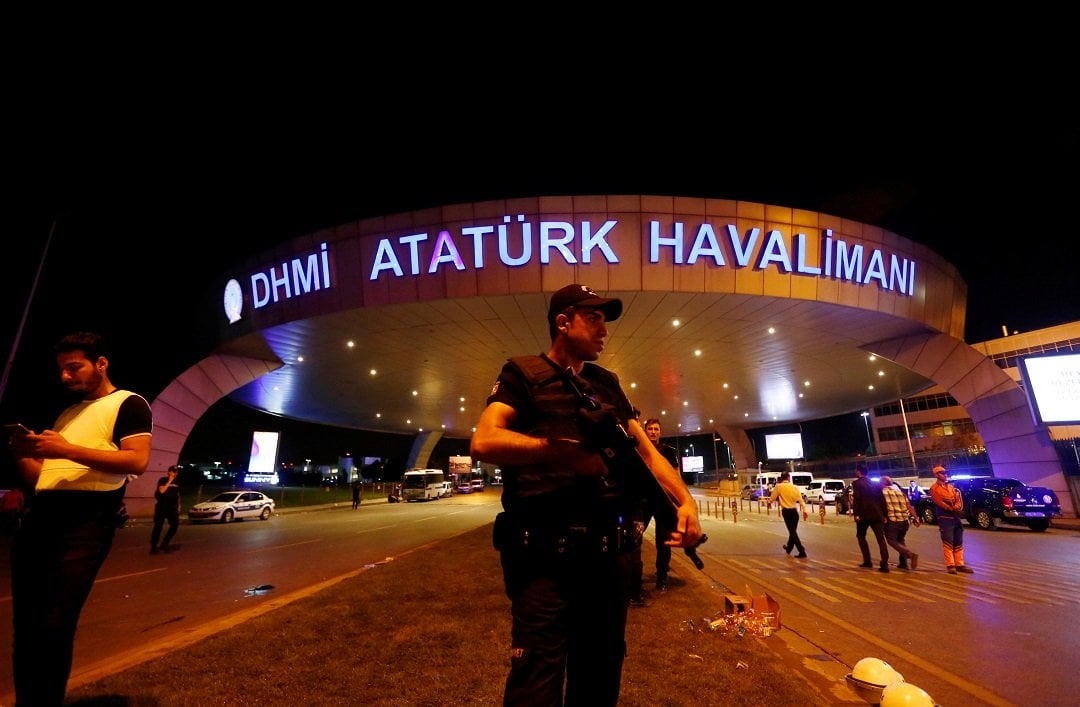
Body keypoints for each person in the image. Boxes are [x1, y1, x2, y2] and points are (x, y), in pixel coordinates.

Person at [470, 283, 702, 707]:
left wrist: (685, 503)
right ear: (563, 322)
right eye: (593, 319)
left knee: (599, 681)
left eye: (604, 321)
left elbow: (647, 454)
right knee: (535, 684)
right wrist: (554, 451)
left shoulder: (606, 384)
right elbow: (484, 441)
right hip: (543, 563)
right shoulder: (522, 375)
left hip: (605, 562)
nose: (604, 330)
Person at [7, 331, 153, 705]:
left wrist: (66, 448)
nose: (66, 377)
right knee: (27, 628)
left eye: (74, 367)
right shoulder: (69, 413)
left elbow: (136, 460)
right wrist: (22, 452)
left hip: (84, 523)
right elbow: (43, 479)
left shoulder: (129, 403)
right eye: (61, 370)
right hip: (40, 519)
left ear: (101, 364)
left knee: (55, 624)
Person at [626, 417, 681, 599]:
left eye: (656, 429)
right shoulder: (637, 450)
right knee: (635, 540)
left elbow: (675, 476)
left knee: (663, 542)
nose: (653, 432)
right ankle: (635, 582)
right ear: (645, 430)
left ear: (660, 432)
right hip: (643, 502)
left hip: (662, 502)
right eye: (650, 429)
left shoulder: (668, 451)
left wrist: (677, 500)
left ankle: (662, 578)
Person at [929, 465, 974, 574]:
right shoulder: (934, 489)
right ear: (937, 475)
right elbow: (939, 502)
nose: (945, 475)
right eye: (942, 473)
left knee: (958, 542)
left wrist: (957, 508)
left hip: (955, 518)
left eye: (945, 473)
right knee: (948, 542)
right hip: (945, 519)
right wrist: (951, 508)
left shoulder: (951, 488)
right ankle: (950, 565)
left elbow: (958, 499)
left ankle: (960, 564)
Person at [851, 464, 890, 572]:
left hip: (864, 515)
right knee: (880, 538)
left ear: (858, 472)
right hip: (877, 514)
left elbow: (857, 499)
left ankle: (867, 560)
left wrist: (856, 514)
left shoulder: (856, 483)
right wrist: (884, 515)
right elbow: (882, 500)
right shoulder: (875, 483)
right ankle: (885, 563)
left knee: (861, 536)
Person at [881, 475, 920, 570]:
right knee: (900, 540)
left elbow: (881, 507)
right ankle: (903, 563)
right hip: (905, 521)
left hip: (893, 520)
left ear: (882, 484)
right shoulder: (900, 493)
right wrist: (916, 518)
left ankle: (909, 554)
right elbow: (909, 506)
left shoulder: (882, 493)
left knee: (891, 541)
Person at [768, 470, 809, 558]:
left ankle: (802, 551)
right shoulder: (794, 487)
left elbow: (772, 498)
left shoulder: (778, 487)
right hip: (795, 512)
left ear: (781, 478)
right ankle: (789, 548)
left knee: (793, 532)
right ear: (788, 477)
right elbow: (801, 500)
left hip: (786, 512)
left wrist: (769, 503)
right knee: (792, 532)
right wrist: (804, 510)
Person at [150, 465, 181, 554]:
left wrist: (179, 505)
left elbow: (178, 494)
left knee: (175, 525)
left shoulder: (177, 482)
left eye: (176, 472)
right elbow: (162, 491)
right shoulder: (162, 480)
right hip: (162, 507)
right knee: (158, 527)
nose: (175, 473)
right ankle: (153, 546)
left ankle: (165, 543)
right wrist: (170, 480)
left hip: (172, 507)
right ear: (169, 472)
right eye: (174, 471)